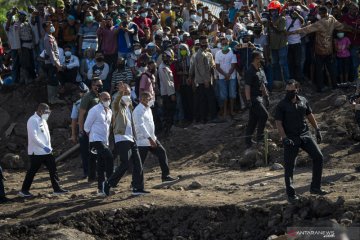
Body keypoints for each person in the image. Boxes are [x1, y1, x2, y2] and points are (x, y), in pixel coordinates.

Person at [275, 80, 328, 204]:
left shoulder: (303, 100)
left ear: (297, 89)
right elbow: (278, 123)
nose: (289, 93)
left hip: (305, 135)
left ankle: (315, 187)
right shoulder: (281, 105)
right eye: (287, 91)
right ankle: (291, 194)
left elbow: (309, 115)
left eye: (291, 91)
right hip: (291, 138)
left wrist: (317, 129)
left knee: (318, 157)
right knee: (289, 166)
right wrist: (284, 138)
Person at [102, 84, 149, 196]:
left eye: (128, 93)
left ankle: (137, 188)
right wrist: (120, 93)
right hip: (121, 138)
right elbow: (115, 102)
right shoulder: (117, 106)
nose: (127, 95)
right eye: (125, 93)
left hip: (131, 138)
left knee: (138, 163)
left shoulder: (130, 107)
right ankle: (108, 183)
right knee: (125, 163)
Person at [19, 103, 68, 197]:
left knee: (53, 169)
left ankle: (57, 189)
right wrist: (43, 146)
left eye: (48, 112)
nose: (47, 114)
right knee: (32, 171)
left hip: (47, 152)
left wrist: (48, 147)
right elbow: (34, 137)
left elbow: (46, 135)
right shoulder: (32, 120)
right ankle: (24, 191)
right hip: (37, 152)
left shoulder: (43, 120)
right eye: (46, 112)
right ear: (40, 111)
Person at [133, 91, 178, 184]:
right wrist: (149, 139)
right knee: (140, 162)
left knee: (162, 153)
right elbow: (140, 126)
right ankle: (134, 182)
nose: (150, 100)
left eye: (150, 98)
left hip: (152, 138)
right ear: (142, 99)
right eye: (148, 99)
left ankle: (165, 176)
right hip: (143, 141)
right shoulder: (138, 111)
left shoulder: (148, 109)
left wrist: (153, 138)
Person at [84, 92, 114, 196]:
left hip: (105, 140)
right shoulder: (94, 110)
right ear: (100, 99)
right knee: (109, 157)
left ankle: (101, 189)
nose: (107, 100)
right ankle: (110, 183)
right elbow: (86, 126)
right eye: (105, 99)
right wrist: (91, 136)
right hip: (96, 140)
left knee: (101, 164)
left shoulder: (110, 111)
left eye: (109, 98)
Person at [78, 77, 103, 180]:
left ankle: (95, 172)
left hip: (97, 129)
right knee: (86, 152)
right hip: (87, 130)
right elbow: (81, 114)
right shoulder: (88, 97)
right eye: (97, 85)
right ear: (92, 86)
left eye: (100, 85)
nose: (99, 87)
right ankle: (87, 172)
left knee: (96, 151)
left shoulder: (100, 97)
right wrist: (81, 130)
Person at [244, 51, 269, 148]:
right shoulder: (250, 71)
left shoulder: (260, 69)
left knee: (253, 120)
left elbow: (262, 84)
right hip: (253, 98)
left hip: (260, 97)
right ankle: (260, 137)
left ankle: (248, 141)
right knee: (264, 115)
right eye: (260, 58)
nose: (262, 60)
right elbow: (247, 86)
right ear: (255, 59)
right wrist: (248, 100)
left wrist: (266, 95)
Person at [70, 82, 89, 178]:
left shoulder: (95, 101)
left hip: (94, 131)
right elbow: (74, 120)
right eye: (82, 92)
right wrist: (73, 134)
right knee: (85, 154)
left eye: (84, 91)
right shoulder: (77, 104)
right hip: (83, 131)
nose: (83, 93)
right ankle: (87, 173)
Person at [43, 21, 64, 104]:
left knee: (55, 79)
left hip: (54, 62)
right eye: (50, 26)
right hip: (51, 63)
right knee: (52, 79)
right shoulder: (47, 38)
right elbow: (51, 53)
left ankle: (55, 96)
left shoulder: (51, 37)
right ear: (46, 28)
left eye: (52, 25)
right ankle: (52, 99)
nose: (52, 26)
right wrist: (56, 63)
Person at [215, 37, 237, 117]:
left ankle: (231, 111)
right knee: (224, 96)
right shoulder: (218, 53)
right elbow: (217, 66)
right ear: (220, 44)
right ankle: (225, 111)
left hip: (232, 76)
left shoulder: (232, 52)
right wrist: (225, 75)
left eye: (226, 44)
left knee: (232, 94)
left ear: (228, 44)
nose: (224, 45)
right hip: (222, 77)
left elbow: (233, 65)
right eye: (223, 44)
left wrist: (228, 75)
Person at [158, 49, 176, 136]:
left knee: (169, 111)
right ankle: (167, 130)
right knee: (168, 112)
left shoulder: (166, 66)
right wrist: (172, 94)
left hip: (167, 93)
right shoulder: (163, 68)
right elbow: (167, 82)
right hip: (167, 94)